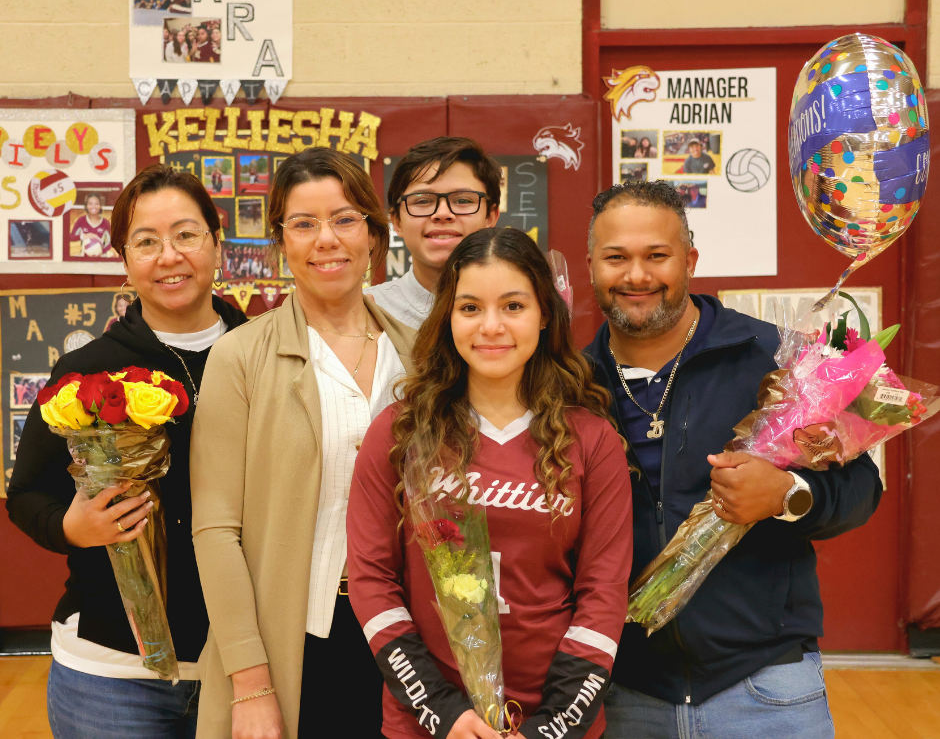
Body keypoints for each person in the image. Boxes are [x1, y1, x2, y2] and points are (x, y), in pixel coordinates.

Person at [581, 181, 881, 739]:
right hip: (622, 693)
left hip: (766, 688)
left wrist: (788, 495)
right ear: (592, 264)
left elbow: (862, 489)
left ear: (690, 260)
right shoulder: (569, 384)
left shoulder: (773, 358)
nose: (637, 276)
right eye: (616, 258)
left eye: (657, 256)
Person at [348, 227, 634, 739]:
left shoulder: (593, 441)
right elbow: (373, 582)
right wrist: (441, 710)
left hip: (558, 717)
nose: (492, 327)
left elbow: (603, 593)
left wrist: (553, 726)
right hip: (428, 718)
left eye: (513, 306)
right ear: (447, 317)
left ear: (545, 314)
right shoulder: (399, 432)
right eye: (471, 308)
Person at [6, 164, 248, 739]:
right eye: (146, 241)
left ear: (217, 243)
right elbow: (26, 495)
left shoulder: (261, 353)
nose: (169, 256)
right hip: (111, 674)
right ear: (125, 258)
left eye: (187, 234)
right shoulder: (88, 368)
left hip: (242, 663)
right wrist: (72, 527)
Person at [190, 147, 416, 739]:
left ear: (373, 233)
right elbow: (215, 529)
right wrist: (251, 682)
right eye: (304, 223)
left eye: (344, 219)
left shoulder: (425, 356)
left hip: (411, 645)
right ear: (281, 241)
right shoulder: (238, 357)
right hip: (297, 640)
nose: (326, 240)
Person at [364, 136, 501, 328]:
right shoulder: (367, 311)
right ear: (397, 221)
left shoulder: (526, 308)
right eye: (422, 201)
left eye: (462, 200)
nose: (442, 214)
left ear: (491, 217)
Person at [70, 193, 113, 258]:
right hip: (84, 258)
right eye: (90, 204)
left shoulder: (105, 222)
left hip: (101, 258)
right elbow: (71, 237)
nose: (93, 206)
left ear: (100, 206)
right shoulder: (81, 220)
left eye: (96, 204)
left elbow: (111, 242)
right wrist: (84, 236)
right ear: (86, 206)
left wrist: (102, 251)